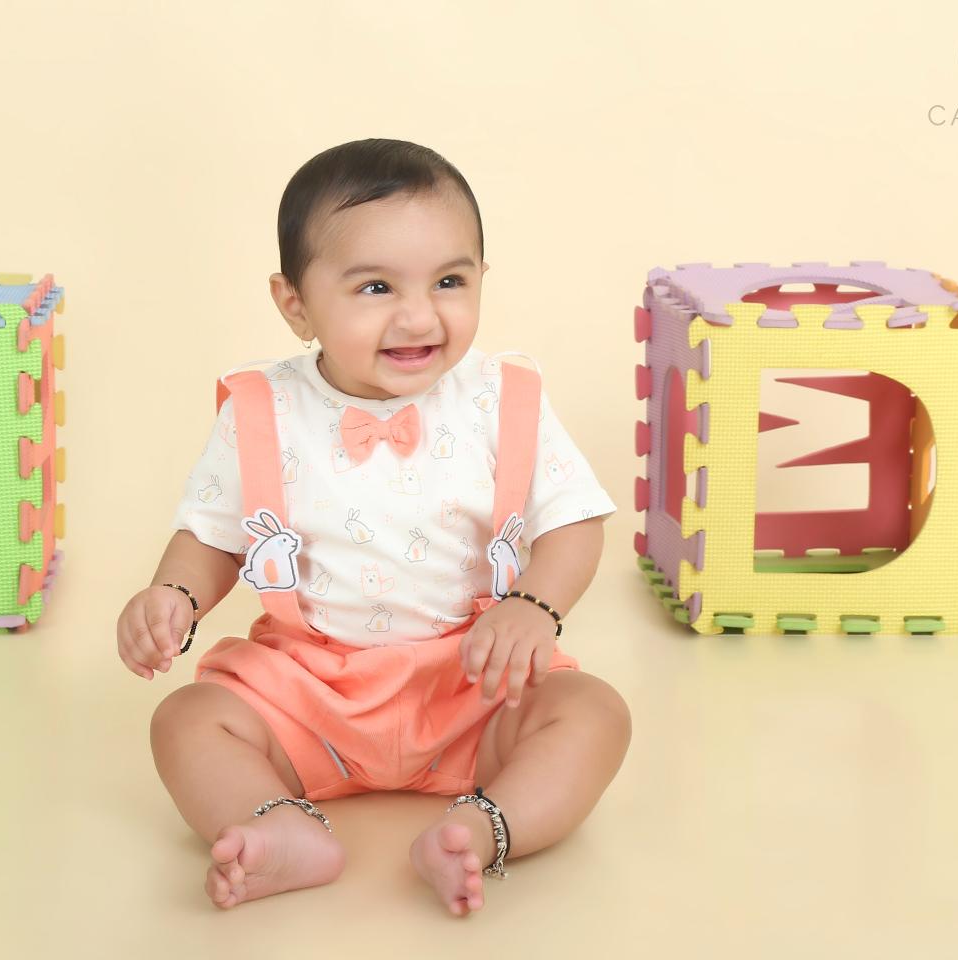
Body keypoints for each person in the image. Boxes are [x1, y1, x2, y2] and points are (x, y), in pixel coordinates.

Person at [116, 138, 632, 916]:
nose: (419, 315)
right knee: (187, 721)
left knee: (594, 713)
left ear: (482, 277)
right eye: (376, 287)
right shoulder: (265, 410)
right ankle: (279, 825)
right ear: (295, 303)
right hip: (309, 689)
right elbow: (216, 536)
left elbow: (574, 522)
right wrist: (173, 596)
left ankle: (483, 828)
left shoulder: (502, 398)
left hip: (472, 680)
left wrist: (534, 607)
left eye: (450, 281)